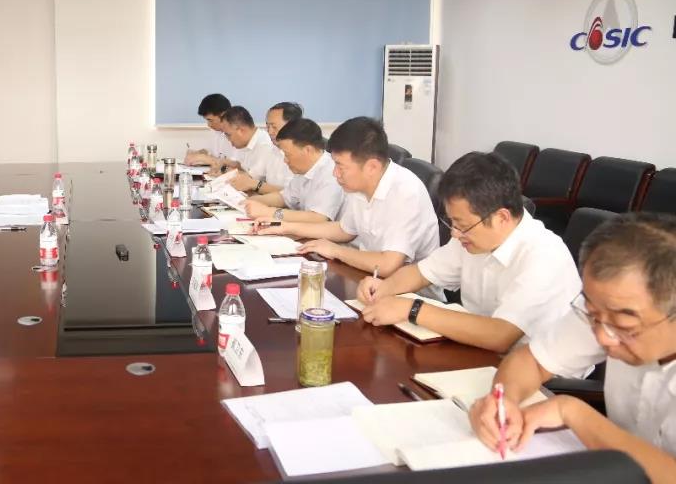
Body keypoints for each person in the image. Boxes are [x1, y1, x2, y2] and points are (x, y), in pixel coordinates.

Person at [468, 214, 676, 482]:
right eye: (592, 314)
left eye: (625, 327)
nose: (602, 337)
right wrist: (505, 401)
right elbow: (531, 361)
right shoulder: (608, 309)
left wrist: (571, 411)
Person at [355, 152, 581, 352]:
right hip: (481, 354)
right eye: (452, 223)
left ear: (501, 217)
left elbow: (500, 335)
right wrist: (382, 289)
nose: (454, 234)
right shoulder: (472, 237)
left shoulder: (544, 256)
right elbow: (421, 273)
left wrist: (413, 310)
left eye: (462, 225)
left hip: (543, 376)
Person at [257, 116, 438, 276]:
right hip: (367, 275)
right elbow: (344, 230)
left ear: (372, 167)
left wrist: (336, 251)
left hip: (411, 293)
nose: (335, 173)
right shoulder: (361, 184)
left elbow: (388, 264)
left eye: (340, 166)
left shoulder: (405, 191)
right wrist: (285, 227)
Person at [242, 118, 343, 224]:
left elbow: (318, 218)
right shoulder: (303, 169)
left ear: (307, 150)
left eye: (287, 154)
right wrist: (250, 201)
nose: (285, 160)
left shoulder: (331, 172)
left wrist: (268, 212)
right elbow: (284, 197)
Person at [231, 101, 300, 194]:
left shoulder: (300, 155)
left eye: (274, 127)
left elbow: (291, 195)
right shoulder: (272, 149)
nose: (270, 132)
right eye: (268, 126)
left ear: (292, 126)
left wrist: (256, 185)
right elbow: (252, 176)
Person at [215, 106, 278, 180]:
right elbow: (244, 167)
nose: (228, 139)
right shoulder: (246, 142)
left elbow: (251, 179)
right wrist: (226, 162)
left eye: (228, 135)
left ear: (241, 130)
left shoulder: (264, 145)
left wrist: (225, 172)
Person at [184, 93, 234, 166]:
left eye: (210, 120)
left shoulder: (237, 134)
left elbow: (236, 165)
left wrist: (205, 159)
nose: (208, 125)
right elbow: (214, 153)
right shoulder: (217, 131)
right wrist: (200, 153)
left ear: (223, 115)